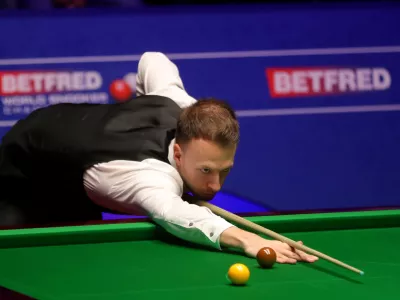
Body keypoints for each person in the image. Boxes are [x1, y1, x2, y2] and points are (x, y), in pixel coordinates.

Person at [0, 52, 318, 264]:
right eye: (205, 170)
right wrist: (247, 239)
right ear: (177, 153)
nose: (215, 185)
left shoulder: (178, 103)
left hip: (76, 170)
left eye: (224, 171)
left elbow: (153, 59)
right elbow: (174, 214)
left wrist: (142, 97)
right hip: (22, 171)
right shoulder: (147, 178)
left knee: (83, 255)